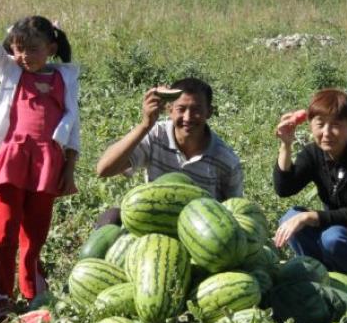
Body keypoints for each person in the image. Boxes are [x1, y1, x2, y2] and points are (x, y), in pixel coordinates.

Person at [0, 0, 80, 316]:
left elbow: (73, 123)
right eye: (18, 49)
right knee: (4, 232)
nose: (23, 56)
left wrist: (70, 167)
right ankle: (0, 296)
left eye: (32, 49)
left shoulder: (65, 77)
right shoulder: (11, 71)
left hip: (48, 161)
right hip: (15, 158)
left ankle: (33, 293)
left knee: (35, 235)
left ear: (51, 48)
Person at [271, 89, 347, 285]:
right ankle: (315, 276)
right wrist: (286, 145)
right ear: (311, 125)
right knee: (290, 218)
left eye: (336, 125)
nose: (326, 133)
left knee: (332, 237)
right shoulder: (314, 153)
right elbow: (285, 189)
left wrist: (310, 216)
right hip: (336, 231)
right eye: (320, 124)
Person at [94, 77, 243, 221]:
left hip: (200, 229)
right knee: (111, 217)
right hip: (156, 220)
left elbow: (236, 211)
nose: (187, 117)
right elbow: (104, 169)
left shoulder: (226, 160)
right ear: (169, 109)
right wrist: (145, 125)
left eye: (196, 110)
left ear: (209, 112)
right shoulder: (156, 135)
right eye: (181, 109)